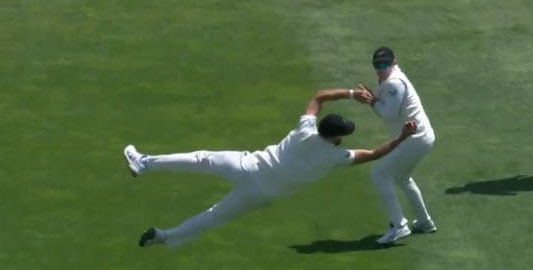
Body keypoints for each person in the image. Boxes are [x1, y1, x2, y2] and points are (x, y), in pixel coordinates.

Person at [123, 88, 417, 248]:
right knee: (212, 217)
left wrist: (352, 94)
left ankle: (145, 163)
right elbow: (375, 153)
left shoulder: (305, 131)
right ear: (336, 137)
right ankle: (165, 237)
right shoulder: (335, 158)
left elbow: (319, 97)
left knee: (200, 159)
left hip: (249, 166)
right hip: (261, 194)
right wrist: (402, 137)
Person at [357, 46, 436, 244]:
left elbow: (388, 114)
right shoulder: (389, 79)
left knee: (379, 174)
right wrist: (373, 99)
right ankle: (425, 222)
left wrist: (372, 102)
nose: (381, 68)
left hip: (415, 139)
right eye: (377, 65)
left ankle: (399, 225)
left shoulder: (395, 84)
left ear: (394, 62)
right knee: (402, 178)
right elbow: (385, 106)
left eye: (385, 64)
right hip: (418, 137)